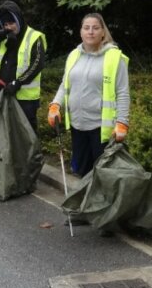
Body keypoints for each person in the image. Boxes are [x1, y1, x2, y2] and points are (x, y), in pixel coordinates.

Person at [48, 13, 130, 177]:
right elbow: (65, 85)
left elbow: (123, 93)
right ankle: (84, 202)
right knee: (81, 172)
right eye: (86, 28)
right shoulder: (73, 56)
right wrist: (55, 105)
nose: (90, 32)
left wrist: (122, 122)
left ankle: (102, 203)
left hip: (101, 128)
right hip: (77, 125)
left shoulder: (115, 58)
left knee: (103, 175)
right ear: (81, 32)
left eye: (95, 28)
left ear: (103, 33)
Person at [0, 0, 46, 131]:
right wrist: (3, 33)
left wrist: (18, 83)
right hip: (2, 92)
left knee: (26, 134)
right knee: (3, 132)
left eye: (11, 23)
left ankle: (30, 153)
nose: (9, 27)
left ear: (19, 20)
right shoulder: (4, 34)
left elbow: (38, 64)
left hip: (25, 98)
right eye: (5, 24)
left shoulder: (34, 36)